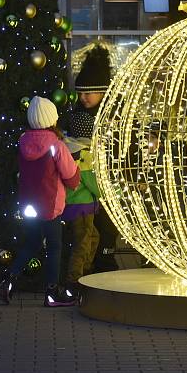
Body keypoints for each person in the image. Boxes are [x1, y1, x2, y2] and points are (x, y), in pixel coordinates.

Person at [0, 96, 79, 307]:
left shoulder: (23, 142)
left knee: (32, 243)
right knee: (54, 247)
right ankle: (52, 292)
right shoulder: (56, 146)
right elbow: (71, 176)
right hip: (50, 206)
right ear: (52, 119)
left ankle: (8, 280)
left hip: (29, 206)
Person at [68, 46, 119, 273]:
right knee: (97, 230)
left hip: (106, 182)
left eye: (88, 93)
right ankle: (100, 268)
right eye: (80, 93)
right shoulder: (80, 118)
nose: (83, 98)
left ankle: (103, 264)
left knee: (105, 230)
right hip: (90, 186)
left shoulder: (115, 115)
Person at [62, 136, 101, 291]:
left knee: (92, 237)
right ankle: (75, 281)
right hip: (83, 207)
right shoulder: (84, 155)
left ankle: (84, 273)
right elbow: (94, 184)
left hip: (72, 205)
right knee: (82, 244)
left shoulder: (69, 149)